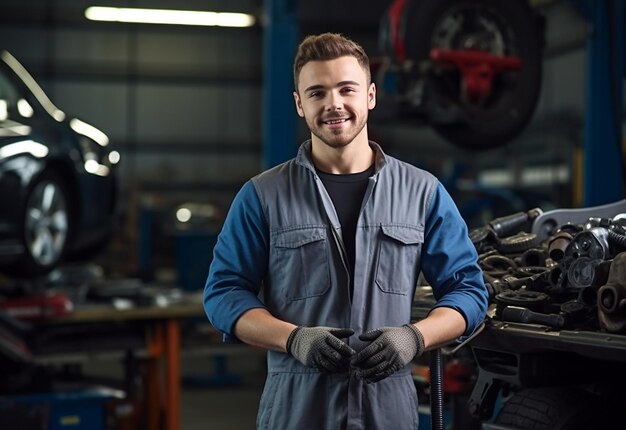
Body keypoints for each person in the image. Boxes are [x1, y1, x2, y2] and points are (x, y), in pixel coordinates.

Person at [204, 32, 489, 429]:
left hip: (387, 413)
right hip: (297, 413)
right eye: (317, 93)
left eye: (346, 89)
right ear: (299, 104)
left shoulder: (423, 193)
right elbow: (223, 295)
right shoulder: (261, 197)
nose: (334, 104)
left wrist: (414, 337)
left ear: (370, 95)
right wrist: (293, 338)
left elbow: (470, 293)